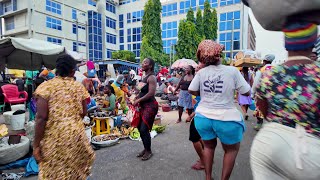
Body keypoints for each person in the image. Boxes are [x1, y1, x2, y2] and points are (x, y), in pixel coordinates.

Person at [250, 21, 320, 180]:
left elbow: (261, 106)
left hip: (269, 144)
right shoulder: (317, 74)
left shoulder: (270, 74)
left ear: (286, 44)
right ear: (312, 43)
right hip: (309, 151)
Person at [188, 40, 250, 180]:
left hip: (203, 118)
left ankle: (208, 177)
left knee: (209, 148)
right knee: (230, 150)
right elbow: (246, 92)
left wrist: (204, 93)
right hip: (227, 119)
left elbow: (192, 89)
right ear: (219, 55)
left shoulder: (201, 73)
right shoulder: (232, 71)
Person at [33, 54, 95, 179]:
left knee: (55, 172)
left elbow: (41, 118)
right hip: (77, 135)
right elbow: (84, 112)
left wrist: (36, 145)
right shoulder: (78, 87)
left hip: (54, 138)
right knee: (77, 170)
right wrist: (72, 120)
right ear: (72, 71)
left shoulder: (46, 87)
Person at [133, 58, 158, 161]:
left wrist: (139, 100)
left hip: (150, 106)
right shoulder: (144, 77)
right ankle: (145, 148)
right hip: (143, 106)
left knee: (144, 128)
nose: (142, 64)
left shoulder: (151, 77)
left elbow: (151, 93)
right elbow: (140, 90)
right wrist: (136, 96)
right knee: (140, 128)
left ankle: (149, 151)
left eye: (145, 63)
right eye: (142, 62)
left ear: (150, 66)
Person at [186, 62, 206, 171]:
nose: (197, 68)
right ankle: (205, 158)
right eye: (196, 67)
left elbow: (203, 101)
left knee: (194, 137)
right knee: (200, 136)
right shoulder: (199, 79)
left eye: (199, 67)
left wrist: (191, 115)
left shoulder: (203, 80)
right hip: (200, 112)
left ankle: (204, 161)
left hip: (201, 113)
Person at [251, 54, 275, 130]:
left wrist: (252, 93)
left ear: (264, 61)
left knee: (260, 108)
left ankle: (259, 124)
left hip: (262, 93)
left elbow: (256, 83)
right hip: (273, 93)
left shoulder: (261, 70)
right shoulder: (276, 68)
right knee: (271, 109)